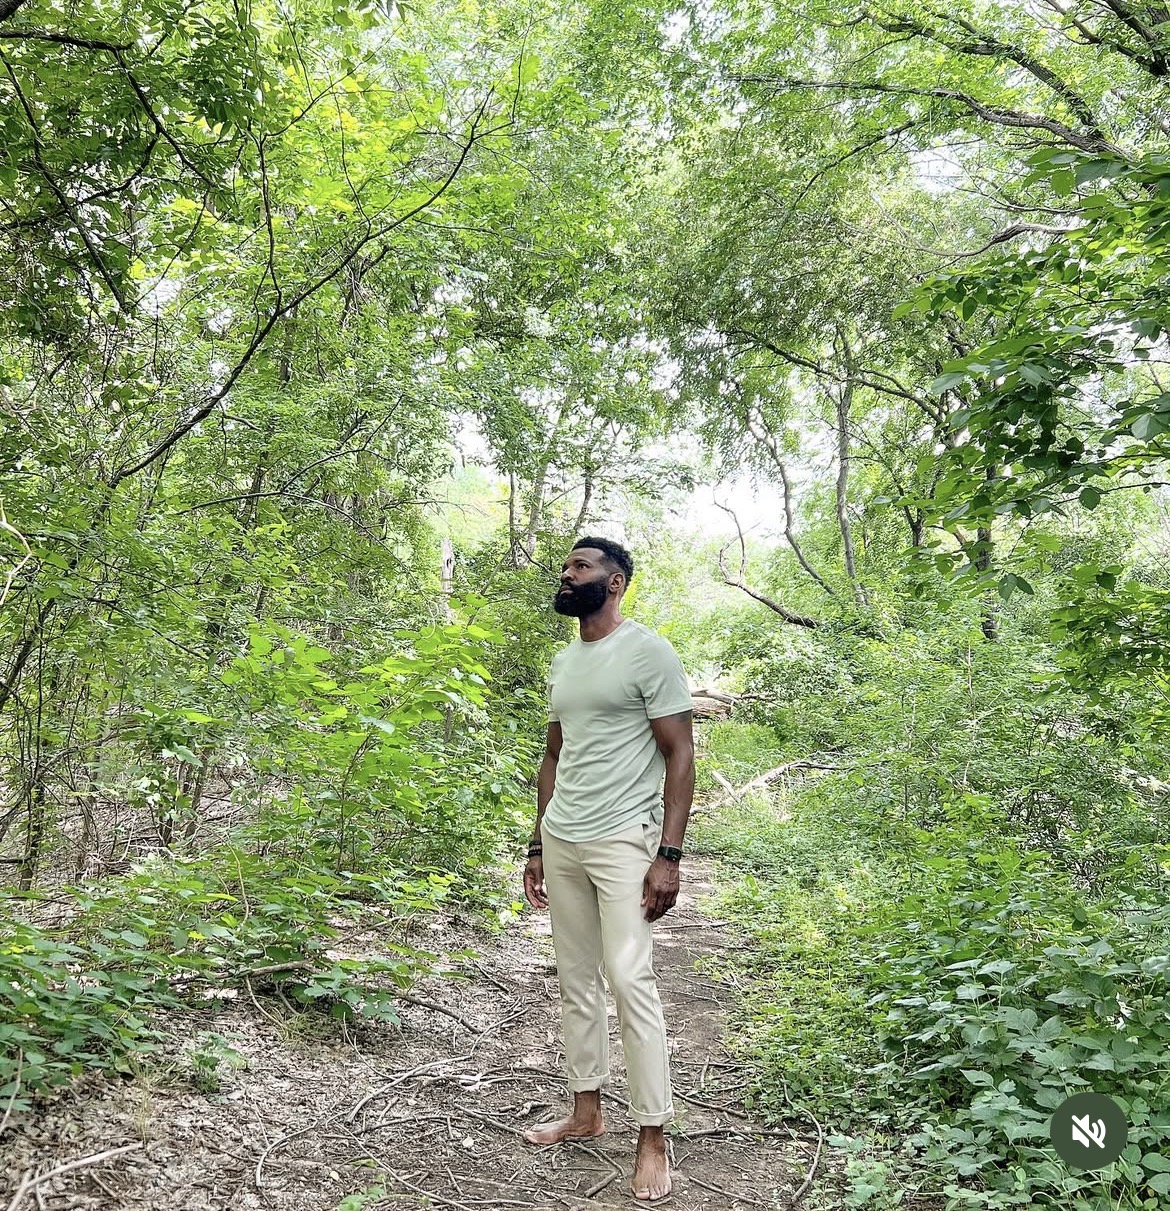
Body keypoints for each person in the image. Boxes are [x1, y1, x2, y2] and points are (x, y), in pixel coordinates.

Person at [522, 536, 695, 1202]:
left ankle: (652, 1135)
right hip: (563, 839)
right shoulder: (565, 661)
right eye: (566, 566)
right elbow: (554, 756)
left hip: (624, 839)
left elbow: (680, 754)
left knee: (629, 980)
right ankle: (586, 1110)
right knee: (575, 980)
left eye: (581, 566)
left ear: (614, 582)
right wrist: (537, 844)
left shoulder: (648, 652)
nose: (566, 574)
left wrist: (669, 855)